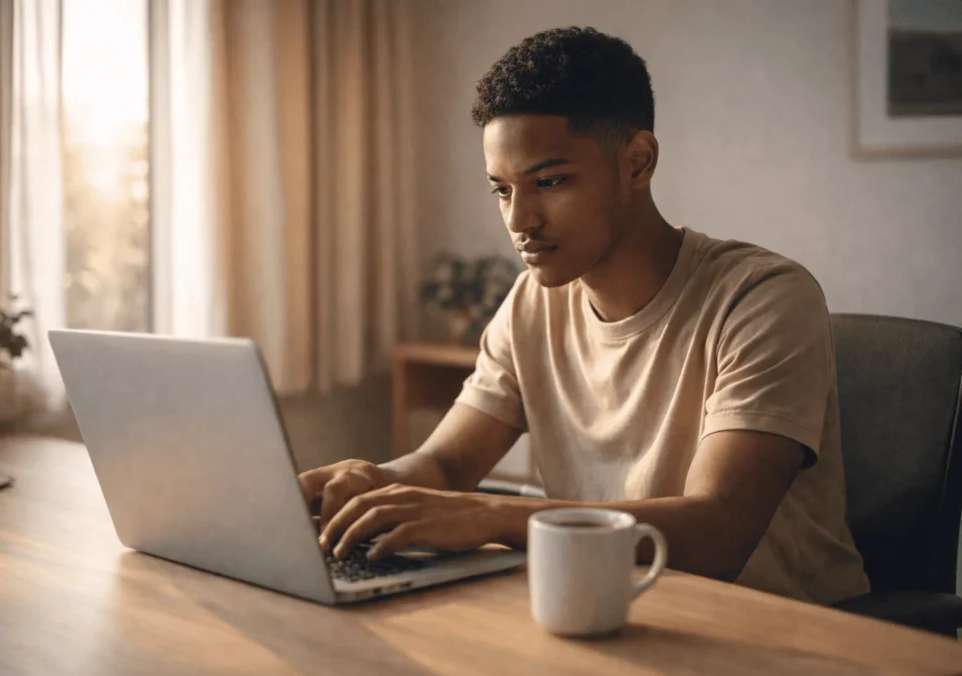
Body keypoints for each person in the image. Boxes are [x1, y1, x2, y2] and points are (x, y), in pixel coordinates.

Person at [298, 26, 870, 605]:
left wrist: (492, 516)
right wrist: (375, 483)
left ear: (638, 163)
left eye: (549, 182)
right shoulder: (531, 303)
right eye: (501, 190)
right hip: (613, 610)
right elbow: (446, 464)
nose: (520, 220)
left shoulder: (763, 298)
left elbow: (718, 532)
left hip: (782, 634)